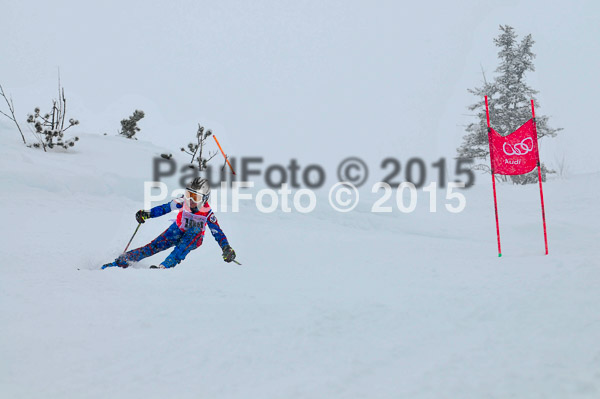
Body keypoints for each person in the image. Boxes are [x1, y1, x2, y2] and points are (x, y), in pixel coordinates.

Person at [102, 178, 236, 269]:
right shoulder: (182, 201)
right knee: (154, 246)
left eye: (195, 197)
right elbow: (165, 208)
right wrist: (147, 214)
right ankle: (122, 261)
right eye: (188, 194)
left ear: (204, 198)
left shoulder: (207, 213)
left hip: (194, 238)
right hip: (177, 230)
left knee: (191, 235)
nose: (190, 199)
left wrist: (226, 248)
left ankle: (165, 266)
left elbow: (217, 232)